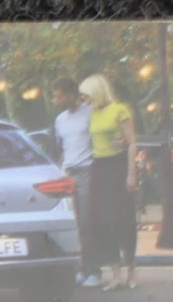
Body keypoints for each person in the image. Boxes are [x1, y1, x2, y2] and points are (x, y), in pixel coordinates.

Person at [79, 74, 138, 290]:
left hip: (118, 165)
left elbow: (132, 143)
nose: (83, 98)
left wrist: (131, 174)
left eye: (86, 94)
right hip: (99, 166)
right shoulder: (92, 114)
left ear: (96, 92)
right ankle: (115, 274)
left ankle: (131, 269)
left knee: (124, 219)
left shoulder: (119, 110)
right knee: (104, 221)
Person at [48, 77, 98, 287]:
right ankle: (83, 268)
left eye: (59, 96)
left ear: (71, 95)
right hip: (67, 173)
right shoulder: (60, 120)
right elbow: (59, 148)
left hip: (87, 171)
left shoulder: (90, 113)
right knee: (74, 224)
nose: (55, 100)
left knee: (87, 222)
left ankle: (94, 270)